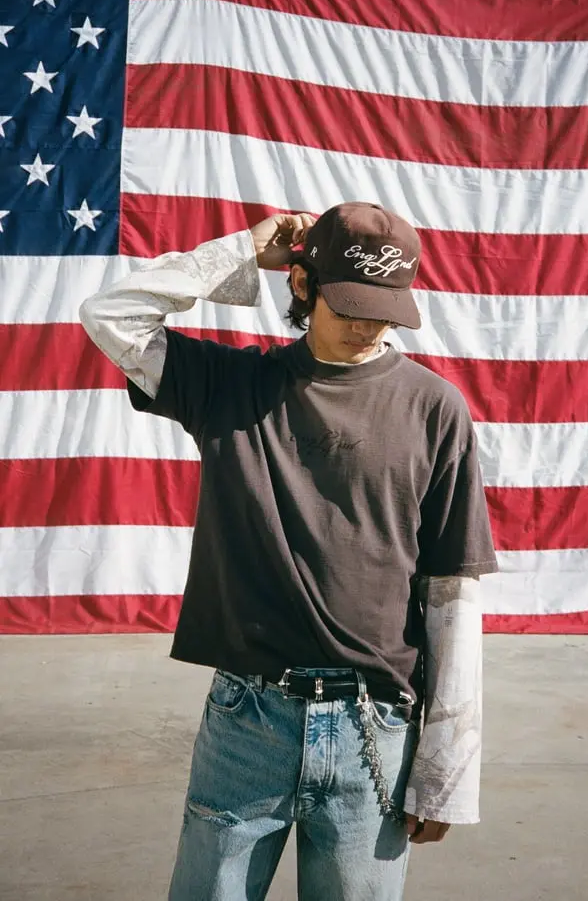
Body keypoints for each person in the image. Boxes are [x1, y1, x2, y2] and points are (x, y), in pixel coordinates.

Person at [79, 202, 498, 900]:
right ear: (301, 286)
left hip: (377, 727)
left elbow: (451, 587)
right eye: (350, 304)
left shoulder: (433, 408)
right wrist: (241, 251)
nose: (367, 324)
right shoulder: (228, 386)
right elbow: (110, 313)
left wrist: (446, 768)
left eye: (384, 309)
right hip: (247, 720)